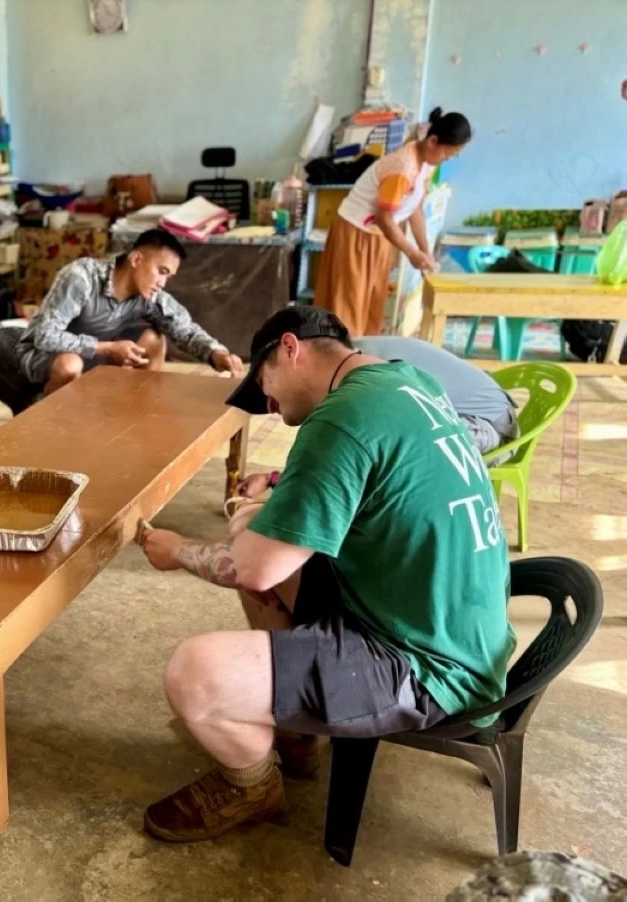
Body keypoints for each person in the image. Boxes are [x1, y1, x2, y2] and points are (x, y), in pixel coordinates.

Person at [138, 306, 514, 843]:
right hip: (459, 626)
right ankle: (295, 729)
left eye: (263, 382)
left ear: (290, 348)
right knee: (274, 561)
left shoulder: (339, 417)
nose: (266, 404)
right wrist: (268, 503)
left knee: (194, 672)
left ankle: (250, 786)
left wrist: (177, 549)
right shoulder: (403, 380)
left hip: (425, 664)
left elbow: (252, 565)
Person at [16, 229, 244, 395]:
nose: (163, 283)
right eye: (161, 271)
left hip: (95, 355)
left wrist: (217, 354)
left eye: (169, 276)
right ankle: (48, 428)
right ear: (136, 258)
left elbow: (185, 330)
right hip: (41, 355)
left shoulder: (150, 296)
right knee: (70, 364)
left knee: (153, 339)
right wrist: (107, 347)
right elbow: (45, 336)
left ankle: (135, 416)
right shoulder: (82, 277)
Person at [315, 108, 472, 336]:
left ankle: (365, 357)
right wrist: (411, 253)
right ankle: (343, 361)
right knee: (350, 303)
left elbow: (414, 206)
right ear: (433, 141)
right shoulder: (402, 168)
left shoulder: (426, 163)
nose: (447, 159)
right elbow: (384, 217)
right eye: (448, 154)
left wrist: (425, 250)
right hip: (356, 234)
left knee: (372, 304)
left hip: (378, 237)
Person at [353, 335, 518, 456]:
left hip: (488, 426)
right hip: (463, 409)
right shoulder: (351, 348)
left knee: (397, 452)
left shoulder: (366, 367)